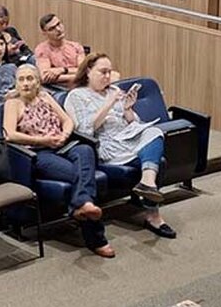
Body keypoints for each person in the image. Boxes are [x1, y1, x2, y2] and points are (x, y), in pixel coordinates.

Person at [3, 64, 112, 258]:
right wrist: (43, 140)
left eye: (30, 78)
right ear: (16, 83)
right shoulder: (12, 103)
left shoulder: (45, 97)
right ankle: (96, 238)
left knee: (85, 149)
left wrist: (64, 134)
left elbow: (68, 120)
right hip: (38, 153)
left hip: (62, 145)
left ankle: (81, 204)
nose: (26, 83)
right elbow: (10, 135)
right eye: (22, 79)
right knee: (82, 177)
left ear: (38, 82)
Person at [64, 53, 175, 236]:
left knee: (154, 132)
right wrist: (108, 104)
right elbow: (84, 130)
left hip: (127, 138)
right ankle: (152, 213)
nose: (107, 76)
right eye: (102, 72)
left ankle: (147, 184)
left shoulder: (113, 90)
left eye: (109, 72)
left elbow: (134, 125)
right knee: (158, 162)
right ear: (88, 71)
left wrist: (128, 109)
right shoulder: (77, 96)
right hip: (106, 145)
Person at [34, 14, 90, 86]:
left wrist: (62, 70)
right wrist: (75, 77)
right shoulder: (42, 49)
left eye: (58, 24)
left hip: (80, 86)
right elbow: (45, 77)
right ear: (44, 33)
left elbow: (83, 71)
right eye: (52, 29)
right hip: (58, 89)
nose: (58, 29)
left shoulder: (76, 46)